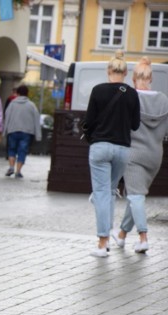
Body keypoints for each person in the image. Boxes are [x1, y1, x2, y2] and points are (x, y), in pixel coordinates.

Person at [83, 50, 140, 258]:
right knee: (109, 191)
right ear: (125, 72)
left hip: (100, 147)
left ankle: (102, 243)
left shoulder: (98, 91)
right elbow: (135, 125)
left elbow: (88, 121)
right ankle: (108, 234)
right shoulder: (132, 93)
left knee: (101, 193)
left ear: (109, 71)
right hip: (122, 149)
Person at [112, 57, 168, 254]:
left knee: (135, 196)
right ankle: (122, 235)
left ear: (134, 79)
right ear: (150, 78)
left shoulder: (129, 97)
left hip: (134, 154)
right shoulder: (164, 100)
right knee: (136, 195)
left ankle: (143, 237)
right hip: (155, 156)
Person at [2, 85, 41, 178]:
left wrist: (4, 131)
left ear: (18, 93)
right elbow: (36, 119)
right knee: (22, 151)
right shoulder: (32, 105)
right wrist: (38, 135)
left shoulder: (12, 104)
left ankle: (11, 167)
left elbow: (7, 117)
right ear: (27, 94)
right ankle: (18, 171)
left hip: (12, 130)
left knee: (11, 149)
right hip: (26, 132)